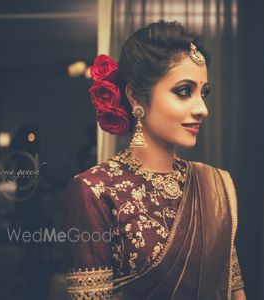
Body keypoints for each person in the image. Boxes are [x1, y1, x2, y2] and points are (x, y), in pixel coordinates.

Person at [62, 20, 246, 300]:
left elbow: (235, 293)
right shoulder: (94, 191)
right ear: (136, 96)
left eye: (203, 93)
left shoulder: (215, 185)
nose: (202, 109)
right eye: (184, 91)